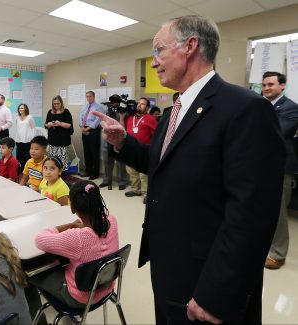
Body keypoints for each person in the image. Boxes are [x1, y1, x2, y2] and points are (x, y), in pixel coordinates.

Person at [95, 15, 285, 325]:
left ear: (190, 46)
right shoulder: (174, 112)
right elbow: (162, 166)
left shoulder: (245, 108)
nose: (154, 62)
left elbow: (252, 213)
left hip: (208, 279)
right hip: (170, 261)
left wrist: (215, 293)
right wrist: (123, 143)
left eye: (159, 50)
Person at [30, 180, 119, 310]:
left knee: (30, 275)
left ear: (72, 208)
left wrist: (70, 225)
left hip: (80, 299)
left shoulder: (76, 237)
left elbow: (39, 239)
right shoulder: (112, 220)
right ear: (97, 201)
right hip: (106, 285)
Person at [261, 71, 298, 270]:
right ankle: (264, 245)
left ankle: (278, 254)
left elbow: (278, 133)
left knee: (278, 211)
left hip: (280, 166)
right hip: (259, 165)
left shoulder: (291, 108)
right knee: (261, 208)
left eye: (271, 85)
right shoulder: (260, 105)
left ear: (282, 86)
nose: (266, 88)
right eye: (264, 85)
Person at [122, 97, 157, 203]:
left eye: (142, 104)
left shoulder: (150, 118)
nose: (139, 105)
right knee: (132, 171)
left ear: (147, 107)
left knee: (143, 174)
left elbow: (156, 134)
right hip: (131, 148)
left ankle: (146, 193)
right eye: (138, 103)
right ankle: (135, 189)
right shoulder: (130, 117)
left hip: (144, 149)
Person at [99, 95, 129, 191]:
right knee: (107, 161)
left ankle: (123, 181)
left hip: (119, 140)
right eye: (112, 102)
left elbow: (124, 126)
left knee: (121, 162)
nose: (113, 104)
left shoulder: (124, 112)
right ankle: (107, 180)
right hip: (107, 141)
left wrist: (119, 115)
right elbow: (102, 124)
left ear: (119, 102)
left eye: (115, 102)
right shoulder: (108, 111)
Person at [79, 91, 105, 180]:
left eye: (90, 96)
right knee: (86, 152)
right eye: (87, 96)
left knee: (94, 152)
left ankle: (95, 173)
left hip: (93, 130)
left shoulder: (98, 107)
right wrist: (82, 128)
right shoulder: (84, 107)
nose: (88, 98)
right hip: (84, 130)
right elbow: (80, 118)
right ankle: (88, 171)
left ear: (94, 96)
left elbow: (98, 120)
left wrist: (88, 129)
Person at [45, 96, 74, 171]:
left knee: (62, 159)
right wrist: (49, 124)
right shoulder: (50, 112)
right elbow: (46, 124)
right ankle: (53, 174)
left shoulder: (66, 111)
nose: (56, 105)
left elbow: (69, 125)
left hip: (63, 140)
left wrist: (60, 123)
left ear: (61, 103)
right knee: (52, 159)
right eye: (54, 104)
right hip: (52, 139)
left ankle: (62, 175)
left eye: (58, 103)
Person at [14, 104, 35, 171]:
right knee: (19, 156)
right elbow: (17, 129)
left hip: (27, 140)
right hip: (19, 140)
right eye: (19, 108)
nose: (20, 109)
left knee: (26, 156)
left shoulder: (29, 117)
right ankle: (20, 170)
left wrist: (33, 139)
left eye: (22, 108)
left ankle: (27, 170)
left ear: (25, 109)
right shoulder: (17, 118)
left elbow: (33, 128)